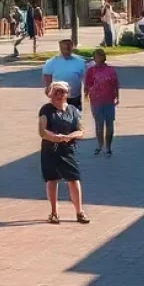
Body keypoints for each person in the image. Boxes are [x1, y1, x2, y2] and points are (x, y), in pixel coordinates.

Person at [38, 81, 88, 224]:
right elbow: (42, 131)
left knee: (73, 179)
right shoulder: (46, 110)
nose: (59, 95)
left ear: (67, 94)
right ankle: (54, 213)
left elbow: (81, 130)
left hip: (68, 150)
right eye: (56, 92)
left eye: (62, 92)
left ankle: (79, 212)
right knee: (52, 179)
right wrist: (55, 138)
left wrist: (69, 137)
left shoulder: (72, 110)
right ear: (51, 94)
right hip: (50, 149)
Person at [83, 47, 120, 156]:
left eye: (100, 56)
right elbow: (87, 84)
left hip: (108, 100)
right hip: (96, 100)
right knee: (99, 124)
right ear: (94, 58)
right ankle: (100, 145)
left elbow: (115, 84)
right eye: (96, 56)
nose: (98, 58)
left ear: (104, 57)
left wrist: (117, 96)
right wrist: (87, 94)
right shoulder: (91, 71)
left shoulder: (110, 70)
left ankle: (108, 147)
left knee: (110, 125)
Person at [42, 39, 87, 109]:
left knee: (75, 117)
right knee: (59, 117)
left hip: (75, 97)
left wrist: (87, 89)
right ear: (60, 48)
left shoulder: (80, 62)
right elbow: (47, 77)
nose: (67, 49)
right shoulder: (51, 62)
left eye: (69, 47)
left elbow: (85, 78)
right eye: (64, 47)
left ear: (72, 47)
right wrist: (48, 89)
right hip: (58, 97)